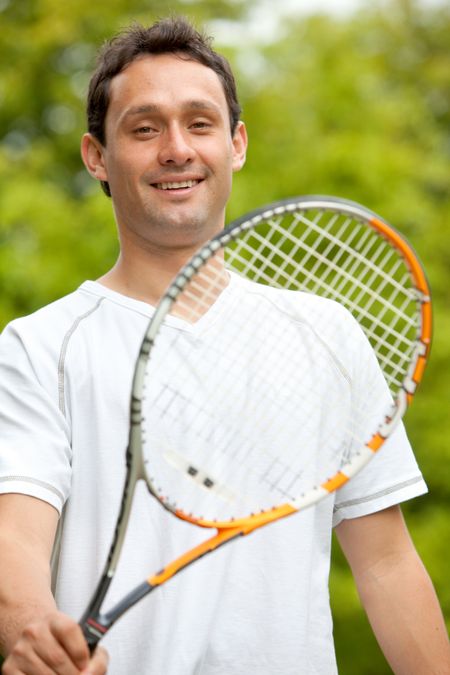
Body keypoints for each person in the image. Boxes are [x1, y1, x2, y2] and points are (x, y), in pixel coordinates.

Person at [0, 15, 449, 675]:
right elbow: (15, 536)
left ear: (236, 143)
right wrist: (33, 629)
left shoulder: (325, 334)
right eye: (144, 128)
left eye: (200, 123)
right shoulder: (39, 345)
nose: (176, 149)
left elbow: (385, 562)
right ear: (96, 156)